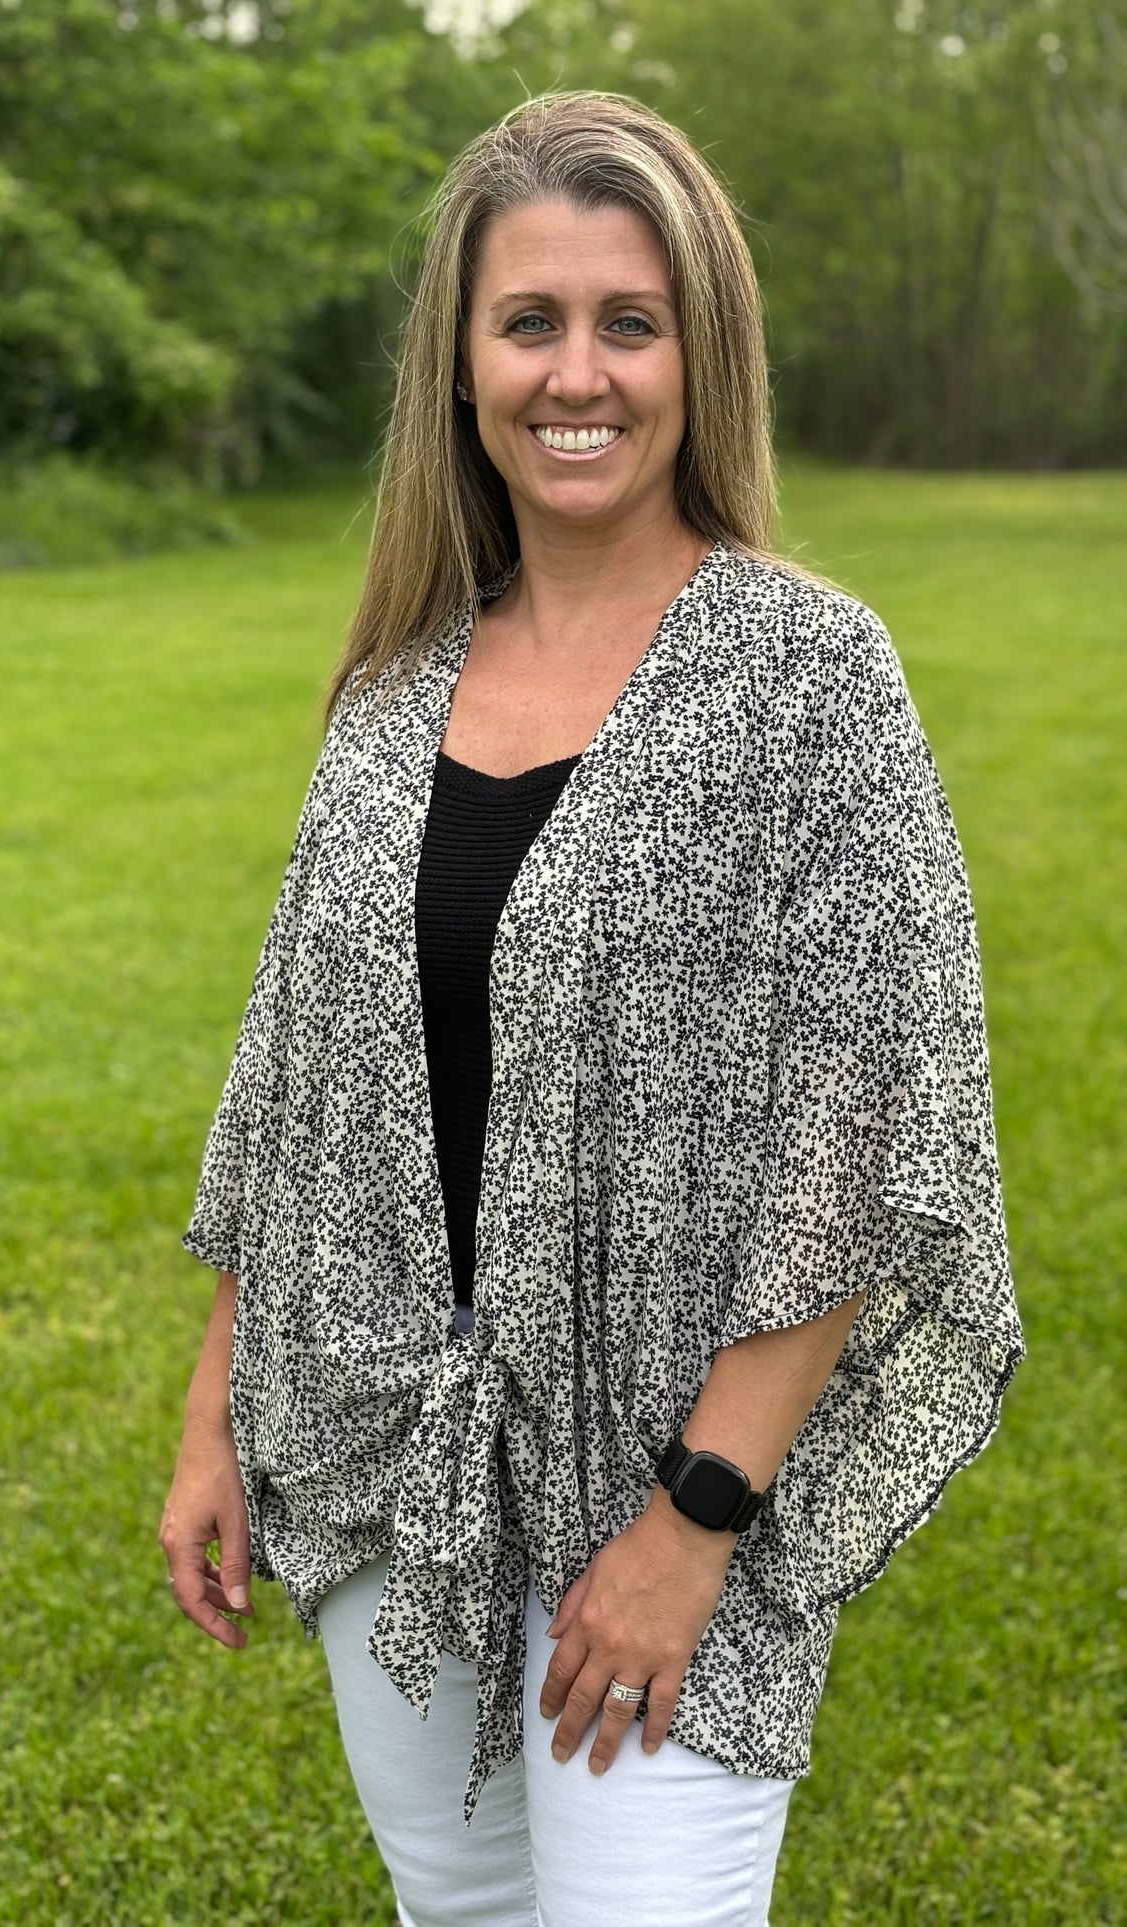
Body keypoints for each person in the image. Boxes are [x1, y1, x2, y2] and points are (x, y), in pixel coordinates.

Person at [160, 90, 1026, 1927]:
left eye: (627, 324)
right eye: (528, 321)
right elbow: (299, 1080)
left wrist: (696, 1520)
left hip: (658, 1473)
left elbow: (868, 1122)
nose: (579, 374)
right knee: (454, 1908)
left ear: (698, 354)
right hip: (382, 1447)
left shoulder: (804, 676)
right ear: (460, 362)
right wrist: (215, 1416)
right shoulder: (395, 690)